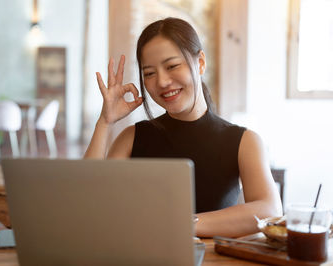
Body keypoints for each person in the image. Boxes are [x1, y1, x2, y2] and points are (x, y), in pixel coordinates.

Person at [84, 17, 282, 237]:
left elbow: (269, 211)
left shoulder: (244, 141)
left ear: (200, 63)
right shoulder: (132, 137)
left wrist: (182, 224)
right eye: (149, 73)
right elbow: (90, 203)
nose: (162, 81)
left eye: (172, 66)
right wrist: (104, 122)